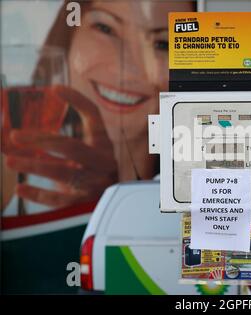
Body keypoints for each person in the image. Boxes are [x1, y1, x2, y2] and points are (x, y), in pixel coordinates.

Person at [0, 0, 195, 294]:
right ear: (67, 39)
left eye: (163, 44)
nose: (127, 68)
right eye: (105, 28)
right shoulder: (12, 177)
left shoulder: (201, 190)